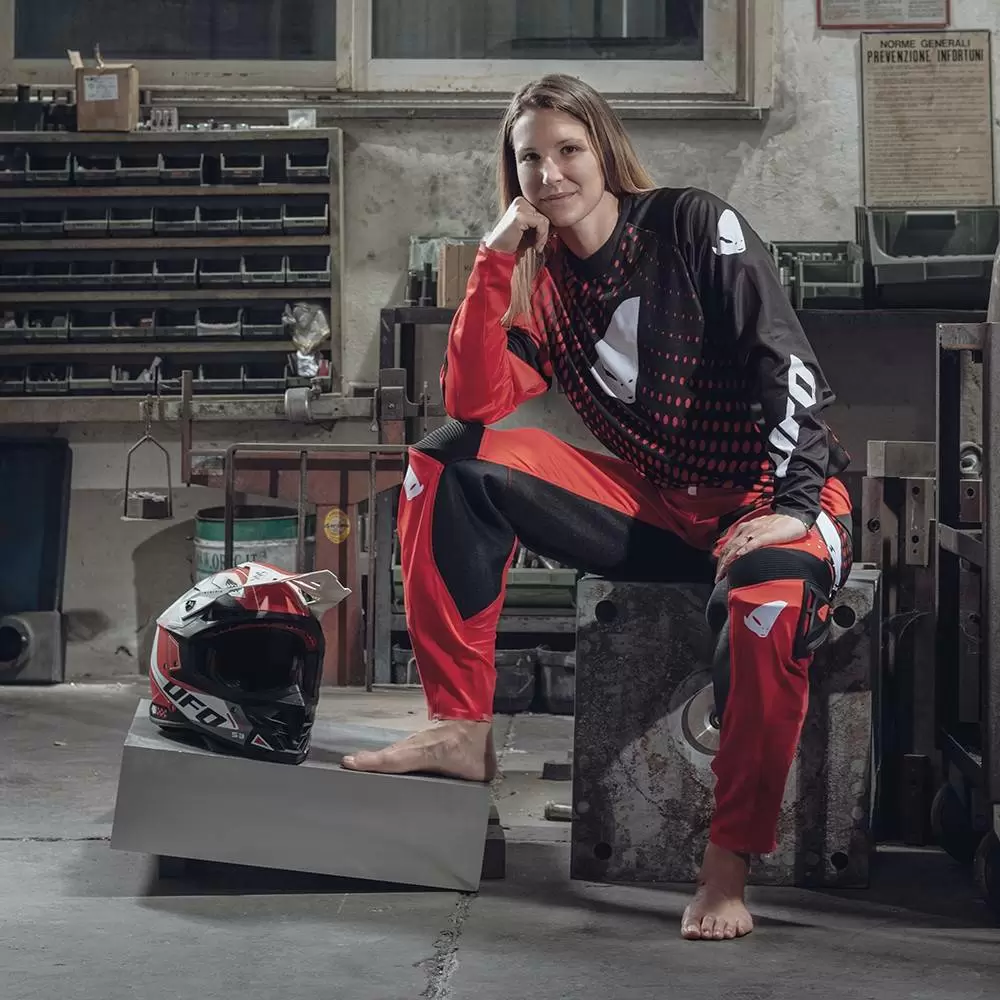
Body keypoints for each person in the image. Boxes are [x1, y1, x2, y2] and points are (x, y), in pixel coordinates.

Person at [343, 73, 853, 942]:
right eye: (529, 159)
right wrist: (494, 259)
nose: (550, 174)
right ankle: (460, 729)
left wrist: (797, 507)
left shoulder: (692, 225)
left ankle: (727, 869)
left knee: (765, 610)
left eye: (568, 149)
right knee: (444, 464)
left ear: (604, 151)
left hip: (775, 497)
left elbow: (787, 365)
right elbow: (472, 401)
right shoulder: (541, 283)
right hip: (660, 506)